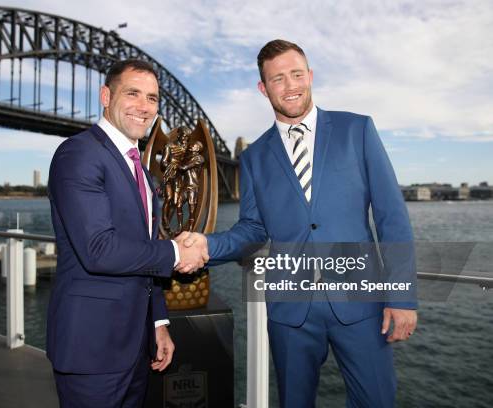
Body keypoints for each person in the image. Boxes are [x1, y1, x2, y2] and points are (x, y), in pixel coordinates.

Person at [177, 40, 418, 407]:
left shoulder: (358, 130)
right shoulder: (255, 156)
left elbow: (392, 218)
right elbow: (253, 230)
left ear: (310, 76)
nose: (290, 86)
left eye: (296, 74)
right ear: (263, 88)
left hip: (360, 304)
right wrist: (208, 245)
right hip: (291, 311)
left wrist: (401, 296)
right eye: (277, 79)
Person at [46, 59, 207, 408]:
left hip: (135, 346)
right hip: (92, 348)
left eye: (152, 98)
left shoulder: (141, 170)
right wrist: (178, 253)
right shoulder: (79, 154)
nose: (144, 106)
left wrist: (159, 322)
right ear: (106, 96)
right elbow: (98, 249)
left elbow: (142, 252)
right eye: (132, 93)